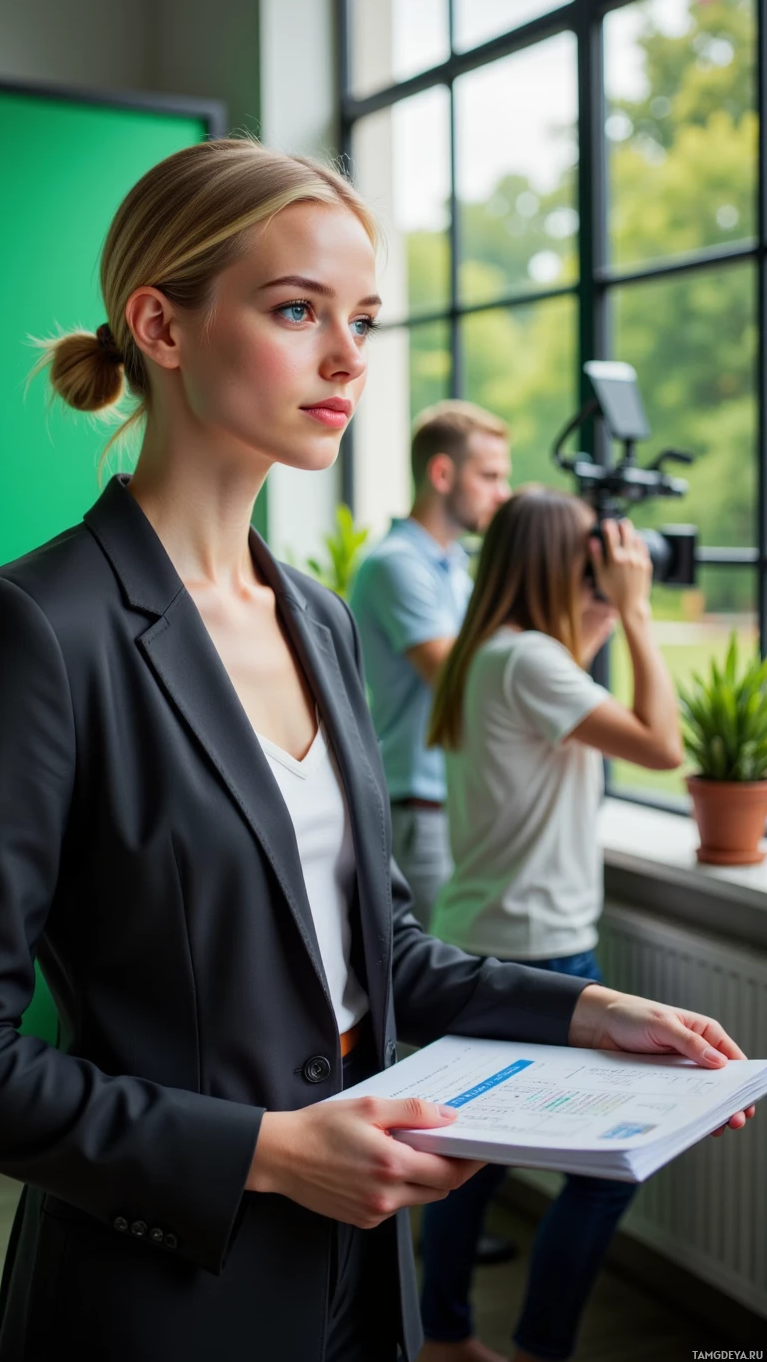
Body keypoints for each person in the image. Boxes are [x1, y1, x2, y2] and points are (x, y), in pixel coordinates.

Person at [0, 141, 753, 1362]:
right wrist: (270, 1153)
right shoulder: (39, 626)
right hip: (163, 1291)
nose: (348, 358)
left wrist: (588, 1011)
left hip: (361, 1266)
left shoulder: (320, 618)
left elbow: (378, 952)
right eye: (297, 310)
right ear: (161, 327)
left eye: (363, 319)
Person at [420, 488, 694, 1362]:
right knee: (608, 1172)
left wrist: (605, 607)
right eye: (588, 556)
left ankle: (442, 1336)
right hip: (542, 952)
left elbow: (566, 681)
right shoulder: (530, 660)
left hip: (481, 934)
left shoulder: (488, 650)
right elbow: (662, 746)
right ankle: (538, 1350)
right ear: (557, 563)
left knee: (471, 1167)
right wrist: (638, 610)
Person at [349, 403, 511, 933]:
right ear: (442, 474)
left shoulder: (455, 569)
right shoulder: (396, 564)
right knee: (426, 968)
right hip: (419, 809)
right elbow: (459, 684)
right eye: (490, 476)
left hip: (451, 804)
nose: (502, 494)